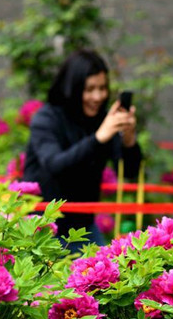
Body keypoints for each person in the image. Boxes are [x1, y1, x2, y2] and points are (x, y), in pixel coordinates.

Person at [23, 50, 141, 251]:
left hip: (84, 226)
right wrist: (98, 138)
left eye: (102, 88)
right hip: (44, 228)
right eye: (89, 89)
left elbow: (129, 171)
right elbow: (55, 165)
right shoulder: (47, 118)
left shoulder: (102, 120)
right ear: (73, 88)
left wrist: (128, 139)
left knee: (107, 269)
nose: (98, 96)